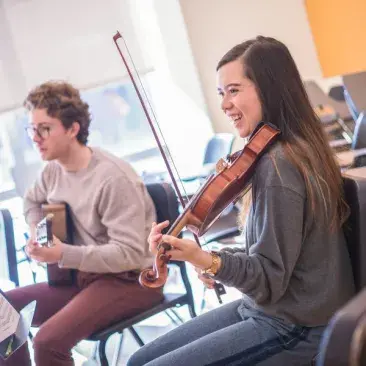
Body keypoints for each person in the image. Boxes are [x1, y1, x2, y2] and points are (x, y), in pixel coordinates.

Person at [127, 36, 356, 366]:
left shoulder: (280, 166)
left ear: (269, 89)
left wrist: (208, 261)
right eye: (222, 93)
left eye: (233, 90)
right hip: (269, 309)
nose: (223, 104)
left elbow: (268, 280)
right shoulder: (277, 155)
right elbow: (270, 255)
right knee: (140, 359)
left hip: (298, 324)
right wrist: (206, 259)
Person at [1, 81, 163, 366]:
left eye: (45, 129)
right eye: (32, 129)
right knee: (4, 315)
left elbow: (131, 254)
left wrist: (63, 253)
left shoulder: (112, 178)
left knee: (47, 341)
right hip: (81, 276)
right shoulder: (53, 169)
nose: (35, 138)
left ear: (73, 129)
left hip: (131, 280)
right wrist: (41, 236)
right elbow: (31, 201)